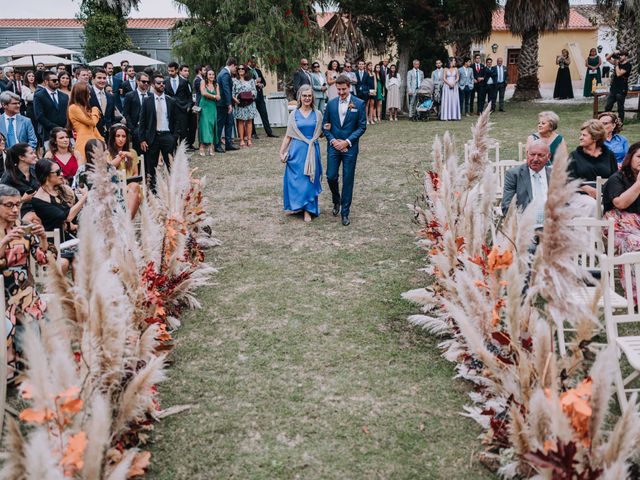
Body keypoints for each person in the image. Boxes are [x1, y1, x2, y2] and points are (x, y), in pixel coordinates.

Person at [0, 183, 51, 380]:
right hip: (2, 291)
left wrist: (44, 240)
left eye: (17, 205)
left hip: (23, 290)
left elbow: (43, 260)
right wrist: (4, 243)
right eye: (9, 205)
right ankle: (12, 360)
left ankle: (25, 360)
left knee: (27, 312)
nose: (15, 210)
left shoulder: (24, 230)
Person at [322, 75, 367, 226]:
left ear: (349, 87)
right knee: (331, 176)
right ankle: (336, 200)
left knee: (348, 179)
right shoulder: (331, 104)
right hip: (334, 146)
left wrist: (347, 142)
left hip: (350, 148)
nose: (340, 92)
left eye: (343, 89)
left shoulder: (359, 104)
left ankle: (345, 212)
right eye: (338, 89)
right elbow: (325, 126)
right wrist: (333, 141)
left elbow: (362, 127)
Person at [32, 159, 87, 276]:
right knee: (63, 263)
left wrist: (73, 225)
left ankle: (79, 293)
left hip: (71, 237)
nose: (61, 174)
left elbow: (75, 215)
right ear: (47, 176)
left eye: (61, 170)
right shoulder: (39, 199)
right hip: (53, 242)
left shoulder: (64, 189)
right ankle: (60, 293)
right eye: (57, 172)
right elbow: (67, 216)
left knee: (79, 261)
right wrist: (85, 196)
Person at [278, 85, 323, 223]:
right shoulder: (294, 114)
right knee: (297, 180)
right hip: (297, 150)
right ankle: (297, 206)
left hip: (311, 150)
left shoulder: (318, 114)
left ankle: (308, 210)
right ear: (300, 97)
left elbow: (321, 133)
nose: (307, 98)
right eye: (304, 96)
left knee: (309, 179)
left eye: (309, 96)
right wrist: (282, 151)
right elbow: (288, 136)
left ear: (312, 97)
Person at [568, 119, 618, 216]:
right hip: (580, 194)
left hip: (604, 194)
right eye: (581, 135)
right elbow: (568, 179)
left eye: (584, 135)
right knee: (593, 205)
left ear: (595, 137)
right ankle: (589, 231)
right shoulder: (574, 155)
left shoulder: (609, 155)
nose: (580, 138)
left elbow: (615, 177)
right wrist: (587, 188)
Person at [138, 72, 178, 190]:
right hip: (153, 137)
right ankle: (153, 190)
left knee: (171, 165)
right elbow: (143, 121)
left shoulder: (171, 101)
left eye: (163, 83)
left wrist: (174, 137)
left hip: (167, 136)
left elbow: (176, 121)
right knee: (152, 166)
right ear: (152, 85)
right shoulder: (147, 101)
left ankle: (172, 188)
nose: (162, 85)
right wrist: (142, 139)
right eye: (158, 83)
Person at [603, 142, 640, 255]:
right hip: (618, 227)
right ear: (630, 157)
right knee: (634, 241)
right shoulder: (617, 178)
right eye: (639, 157)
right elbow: (620, 204)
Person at [501, 140, 552, 222]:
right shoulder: (514, 175)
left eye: (540, 155)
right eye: (532, 154)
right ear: (527, 154)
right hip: (525, 226)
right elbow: (507, 206)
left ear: (548, 156)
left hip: (552, 226)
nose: (535, 159)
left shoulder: (555, 175)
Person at [106, 124, 142, 218]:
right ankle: (127, 224)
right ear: (113, 138)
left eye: (123, 136)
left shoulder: (132, 152)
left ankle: (127, 221)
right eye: (118, 136)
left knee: (134, 187)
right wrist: (121, 156)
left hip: (130, 187)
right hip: (115, 188)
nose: (121, 139)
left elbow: (135, 174)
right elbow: (109, 168)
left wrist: (128, 155)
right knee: (134, 193)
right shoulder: (107, 153)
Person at [67, 81, 103, 165]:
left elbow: (93, 128)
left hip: (94, 140)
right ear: (82, 95)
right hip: (83, 143)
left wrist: (101, 140)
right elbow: (92, 122)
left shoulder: (85, 109)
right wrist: (95, 111)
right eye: (88, 94)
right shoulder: (73, 108)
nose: (90, 97)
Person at [1, 143, 39, 216]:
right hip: (19, 212)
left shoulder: (35, 171)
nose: (35, 155)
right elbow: (2, 200)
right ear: (21, 157)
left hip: (38, 208)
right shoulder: (9, 176)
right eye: (31, 153)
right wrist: (22, 200)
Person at [34, 71, 69, 147]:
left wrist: (65, 128)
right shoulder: (39, 96)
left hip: (64, 132)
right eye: (54, 80)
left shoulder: (64, 96)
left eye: (57, 80)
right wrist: (55, 128)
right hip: (48, 133)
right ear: (46, 82)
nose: (57, 82)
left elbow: (67, 114)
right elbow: (39, 116)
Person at [164, 62, 193, 149]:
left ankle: (182, 152)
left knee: (183, 132)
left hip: (182, 110)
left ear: (177, 70)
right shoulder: (165, 82)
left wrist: (188, 106)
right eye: (169, 71)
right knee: (172, 131)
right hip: (170, 110)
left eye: (172, 71)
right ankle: (173, 151)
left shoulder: (184, 82)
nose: (170, 73)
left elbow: (189, 96)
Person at [122, 72, 151, 155]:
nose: (146, 84)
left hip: (149, 130)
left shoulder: (151, 95)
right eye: (144, 81)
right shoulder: (130, 95)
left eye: (148, 82)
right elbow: (126, 113)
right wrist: (132, 129)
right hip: (136, 129)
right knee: (138, 156)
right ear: (137, 81)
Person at [248, 57, 277, 138]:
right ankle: (253, 133)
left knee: (264, 114)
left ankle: (269, 132)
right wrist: (255, 82)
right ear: (249, 61)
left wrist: (261, 84)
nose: (255, 63)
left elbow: (264, 82)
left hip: (260, 96)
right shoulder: (246, 70)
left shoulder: (258, 71)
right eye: (253, 61)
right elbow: (246, 82)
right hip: (251, 97)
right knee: (252, 116)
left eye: (255, 62)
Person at [215, 58, 239, 154]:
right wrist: (229, 104)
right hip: (222, 104)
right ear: (232, 65)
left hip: (225, 103)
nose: (235, 70)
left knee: (229, 123)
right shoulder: (225, 74)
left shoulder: (224, 73)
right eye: (235, 67)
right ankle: (217, 145)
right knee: (220, 125)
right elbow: (226, 89)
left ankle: (228, 144)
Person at [232, 65, 257, 148]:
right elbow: (232, 92)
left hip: (250, 103)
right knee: (241, 122)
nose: (240, 70)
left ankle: (249, 139)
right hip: (240, 103)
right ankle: (242, 140)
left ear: (245, 70)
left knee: (249, 121)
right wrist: (235, 99)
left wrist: (251, 95)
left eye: (242, 68)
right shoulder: (234, 80)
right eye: (239, 69)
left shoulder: (251, 80)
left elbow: (254, 91)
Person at [605, 50, 632, 123]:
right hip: (613, 88)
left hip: (621, 88)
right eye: (619, 55)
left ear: (626, 57)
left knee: (620, 108)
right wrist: (613, 52)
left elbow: (619, 74)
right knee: (608, 106)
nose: (620, 56)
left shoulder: (628, 65)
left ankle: (620, 124)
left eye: (622, 55)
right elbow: (607, 58)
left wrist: (616, 65)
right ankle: (606, 122)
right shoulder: (617, 62)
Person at [198, 68, 220, 156]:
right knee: (204, 126)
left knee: (212, 125)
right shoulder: (203, 82)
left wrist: (215, 97)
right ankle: (202, 146)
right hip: (204, 106)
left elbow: (219, 96)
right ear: (206, 75)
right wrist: (214, 96)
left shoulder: (216, 84)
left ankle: (211, 146)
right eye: (210, 74)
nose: (211, 76)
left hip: (212, 107)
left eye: (213, 74)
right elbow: (203, 93)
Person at [89, 67, 115, 140]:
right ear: (93, 79)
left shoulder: (110, 96)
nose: (102, 80)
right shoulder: (88, 95)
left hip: (108, 135)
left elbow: (112, 117)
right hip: (93, 134)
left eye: (104, 78)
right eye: (99, 78)